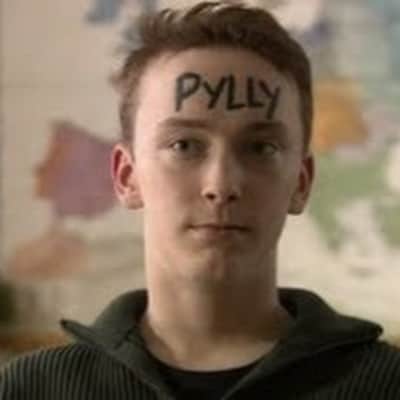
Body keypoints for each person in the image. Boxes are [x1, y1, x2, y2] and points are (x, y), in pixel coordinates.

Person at [1, 2, 400, 399]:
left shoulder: (386, 385)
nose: (221, 184)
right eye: (184, 145)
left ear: (301, 180)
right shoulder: (31, 389)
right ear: (126, 176)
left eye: (260, 147)